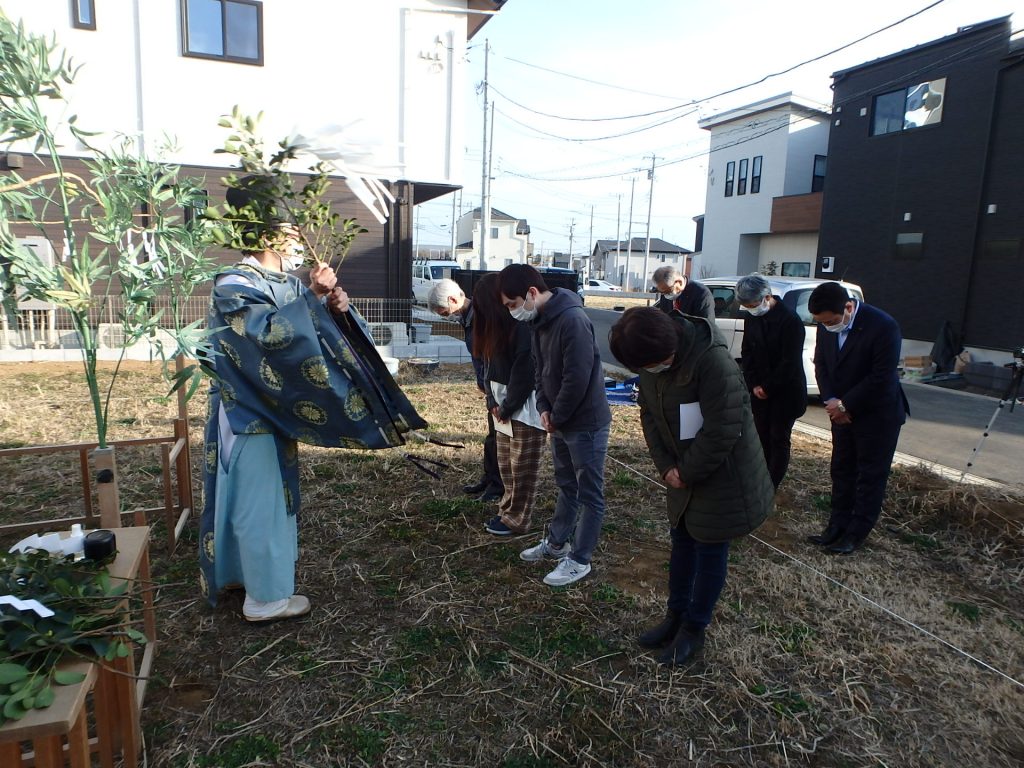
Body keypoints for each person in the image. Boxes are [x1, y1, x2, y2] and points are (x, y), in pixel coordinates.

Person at [200, 186, 425, 622]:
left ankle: (244, 577)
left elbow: (309, 324)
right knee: (258, 500)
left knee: (257, 497)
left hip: (267, 411)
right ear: (268, 236)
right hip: (248, 412)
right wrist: (312, 301)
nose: (297, 243)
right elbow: (269, 337)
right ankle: (264, 599)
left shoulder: (277, 283)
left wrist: (335, 308)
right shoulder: (234, 285)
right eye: (290, 232)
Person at [609, 308, 773, 666]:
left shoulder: (712, 361)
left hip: (721, 473)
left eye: (655, 363)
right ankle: (676, 615)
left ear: (671, 346)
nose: (651, 371)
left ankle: (695, 629)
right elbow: (648, 413)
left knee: (710, 549)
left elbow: (724, 428)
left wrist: (686, 471)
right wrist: (667, 466)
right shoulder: (652, 362)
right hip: (680, 469)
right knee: (682, 541)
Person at [498, 264, 611, 587]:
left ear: (531, 293)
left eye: (512, 304)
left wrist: (556, 414)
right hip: (559, 419)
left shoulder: (572, 320)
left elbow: (578, 377)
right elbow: (540, 370)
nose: (512, 312)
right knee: (566, 483)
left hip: (585, 420)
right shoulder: (540, 321)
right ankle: (557, 542)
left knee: (589, 492)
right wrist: (545, 407)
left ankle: (580, 558)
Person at [806, 281, 909, 555]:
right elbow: (822, 364)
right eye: (822, 323)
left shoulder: (883, 326)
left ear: (848, 307)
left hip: (877, 415)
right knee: (842, 470)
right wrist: (830, 400)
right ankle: (836, 526)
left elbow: (882, 377)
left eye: (831, 321)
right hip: (840, 414)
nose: (827, 326)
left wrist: (844, 404)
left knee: (869, 475)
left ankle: (855, 533)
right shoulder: (826, 324)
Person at [469, 273, 547, 536]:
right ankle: (506, 510)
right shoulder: (493, 331)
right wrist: (492, 401)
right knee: (507, 465)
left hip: (524, 411)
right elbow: (488, 369)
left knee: (522, 467)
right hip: (502, 408)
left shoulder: (522, 328)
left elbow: (524, 373)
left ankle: (518, 518)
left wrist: (507, 406)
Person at [427, 278, 504, 503]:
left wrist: (490, 388)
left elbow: (490, 357)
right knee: (492, 436)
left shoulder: (481, 317)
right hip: (489, 384)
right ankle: (489, 479)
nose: (445, 316)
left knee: (500, 437)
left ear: (453, 299)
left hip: (498, 385)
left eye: (443, 312)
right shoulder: (468, 318)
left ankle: (498, 486)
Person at [735, 274, 807, 489]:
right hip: (759, 390)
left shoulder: (790, 320)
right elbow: (747, 351)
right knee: (760, 435)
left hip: (785, 391)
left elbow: (790, 361)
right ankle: (760, 475)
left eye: (753, 304)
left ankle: (771, 484)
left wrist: (768, 387)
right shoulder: (752, 317)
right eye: (746, 306)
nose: (751, 308)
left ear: (767, 297)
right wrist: (754, 383)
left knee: (778, 437)